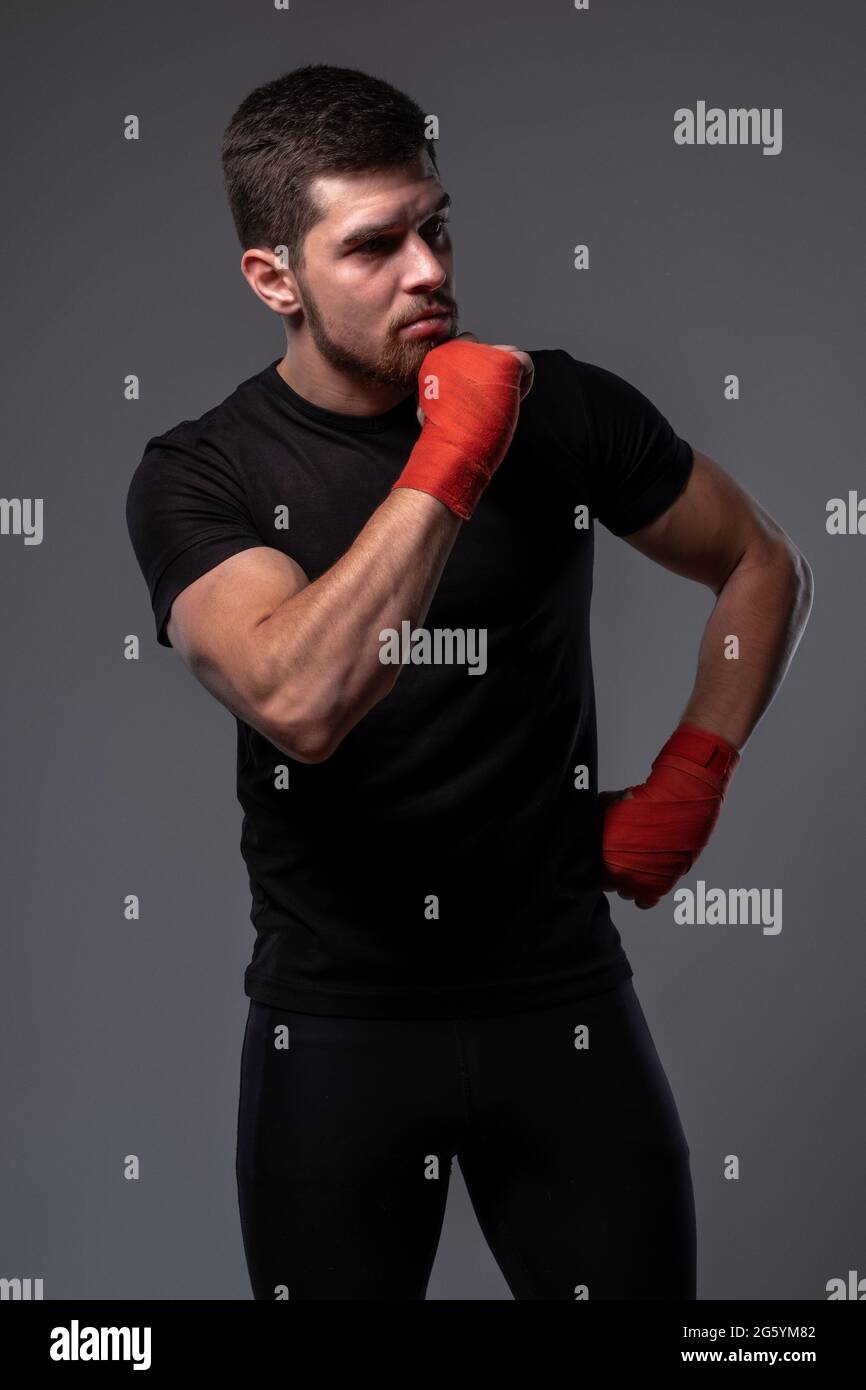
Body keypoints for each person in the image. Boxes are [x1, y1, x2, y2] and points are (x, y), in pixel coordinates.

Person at [125, 64, 813, 1300]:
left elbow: (760, 560)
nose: (427, 269)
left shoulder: (562, 411)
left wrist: (696, 768)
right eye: (373, 245)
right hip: (332, 1031)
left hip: (562, 1004)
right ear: (272, 278)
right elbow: (299, 700)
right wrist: (449, 458)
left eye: (433, 226)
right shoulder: (202, 475)